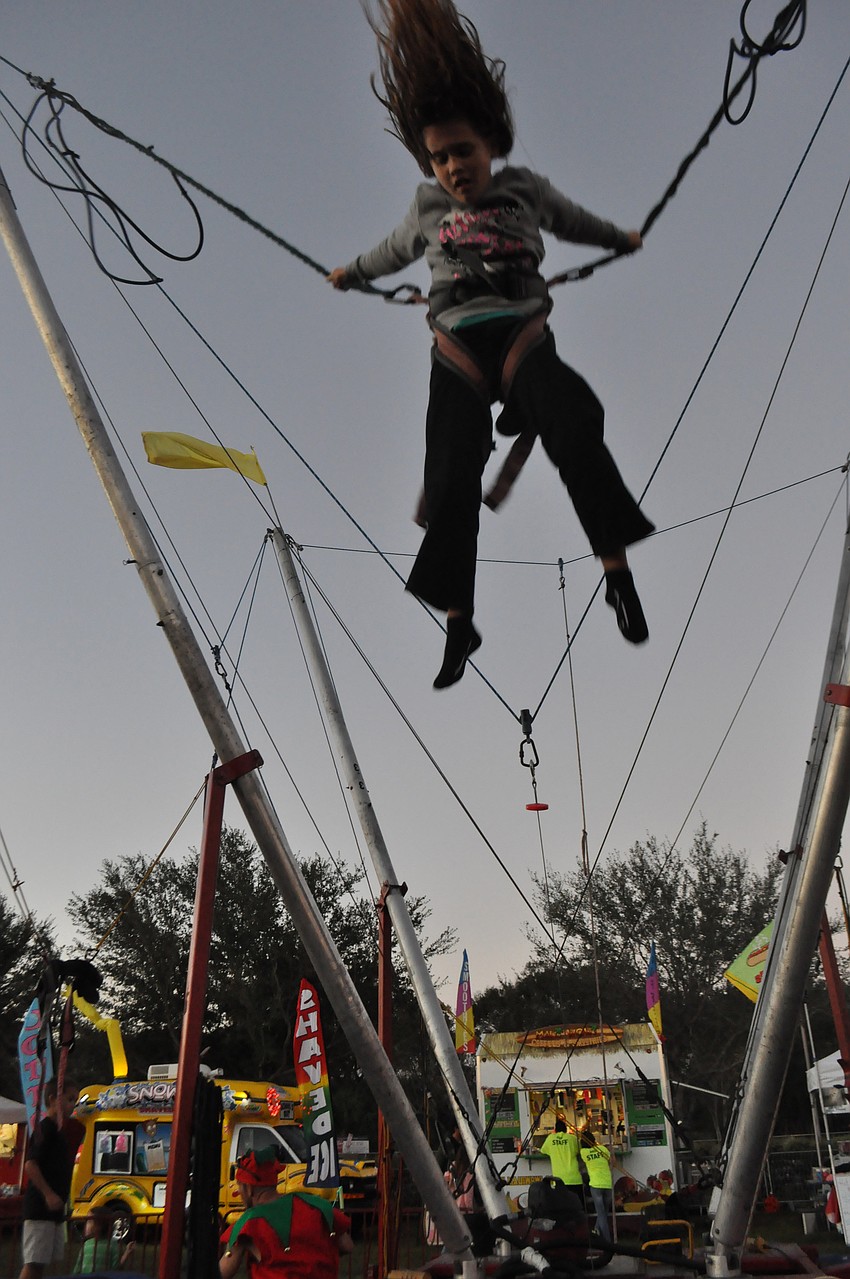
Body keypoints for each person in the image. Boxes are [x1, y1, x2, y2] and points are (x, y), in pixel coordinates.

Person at [329, 0, 653, 688]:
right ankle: (457, 619)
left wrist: (620, 238)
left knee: (574, 427)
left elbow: (574, 220)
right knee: (450, 478)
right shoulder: (426, 209)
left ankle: (617, 574)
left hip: (521, 335)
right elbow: (390, 252)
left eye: (463, 152)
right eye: (441, 157)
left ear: (491, 146)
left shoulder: (523, 190)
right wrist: (351, 273)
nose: (453, 168)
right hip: (457, 348)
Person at [219, 1147, 353, 1278]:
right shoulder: (318, 1206)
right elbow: (347, 1246)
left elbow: (223, 1272)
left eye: (239, 1185)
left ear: (248, 1188)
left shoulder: (248, 1224)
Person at [19, 1077, 80, 1279]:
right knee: (34, 1263)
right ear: (53, 1099)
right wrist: (49, 1194)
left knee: (41, 1263)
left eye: (75, 1100)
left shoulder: (59, 1132)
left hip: (53, 1210)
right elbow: (31, 1164)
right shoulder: (45, 1129)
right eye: (70, 1099)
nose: (73, 1105)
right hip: (40, 1209)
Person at [73, 1207, 135, 1273]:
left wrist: (127, 1253)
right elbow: (116, 1268)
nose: (86, 1225)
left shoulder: (111, 1245)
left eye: (89, 1221)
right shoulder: (87, 1244)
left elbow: (77, 1269)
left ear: (99, 1226)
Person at [580, 1128, 613, 1243]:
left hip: (595, 1185)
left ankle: (607, 1242)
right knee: (604, 1212)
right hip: (607, 1184)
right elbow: (611, 1160)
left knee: (602, 1214)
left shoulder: (584, 1153)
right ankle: (596, 1229)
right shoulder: (603, 1149)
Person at [540, 1119, 583, 1197]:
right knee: (577, 1206)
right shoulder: (573, 1138)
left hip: (558, 1180)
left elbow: (543, 1151)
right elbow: (580, 1150)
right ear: (566, 1129)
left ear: (555, 1130)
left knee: (562, 1206)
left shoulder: (550, 1138)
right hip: (575, 1179)